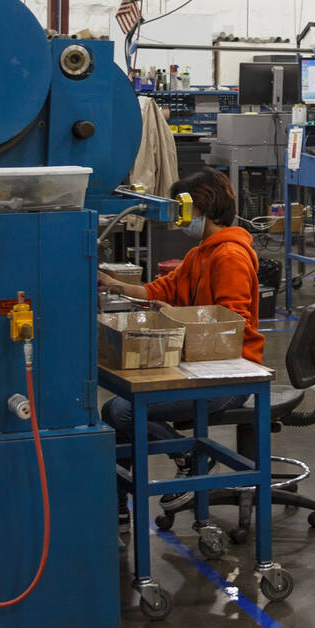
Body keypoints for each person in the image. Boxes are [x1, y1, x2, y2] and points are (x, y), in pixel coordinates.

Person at [97, 170, 264, 446]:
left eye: (182, 211)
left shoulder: (229, 257)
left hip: (231, 377)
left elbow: (233, 327)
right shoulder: (199, 254)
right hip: (202, 366)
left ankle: (191, 458)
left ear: (201, 208)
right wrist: (113, 283)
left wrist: (174, 317)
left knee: (122, 411)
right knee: (113, 408)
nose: (179, 220)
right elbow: (157, 291)